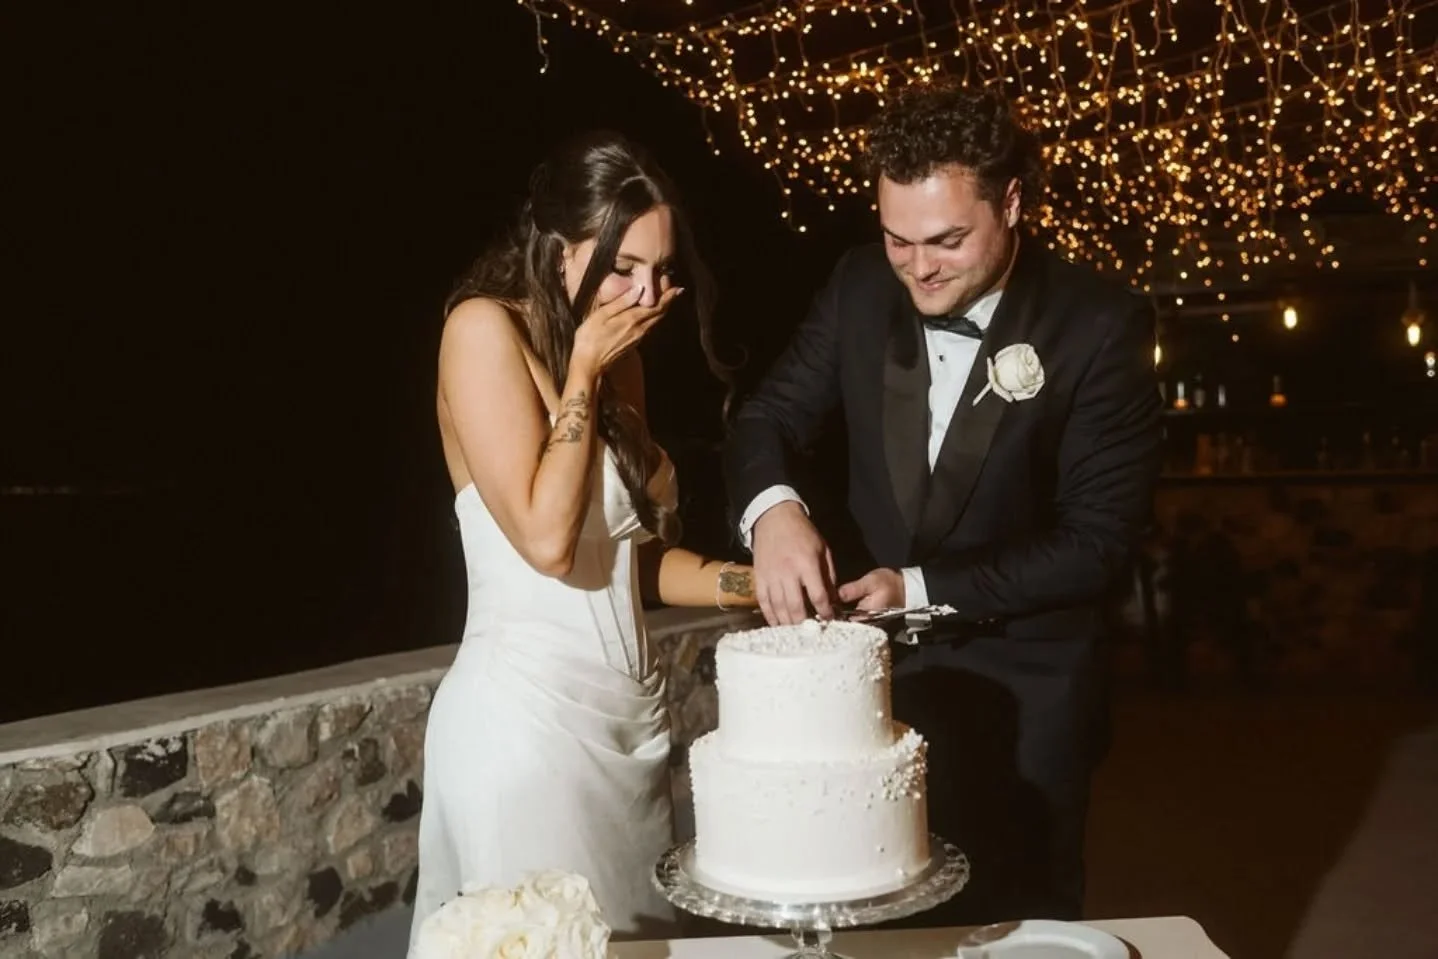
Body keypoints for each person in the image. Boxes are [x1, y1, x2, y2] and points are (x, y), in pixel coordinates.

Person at [723, 82, 1162, 924]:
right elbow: (766, 418)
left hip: (1027, 701)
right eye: (897, 238)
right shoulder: (859, 287)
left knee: (1015, 922)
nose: (918, 266)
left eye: (947, 240)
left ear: (1013, 205)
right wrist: (774, 511)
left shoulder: (1098, 324)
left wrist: (916, 587)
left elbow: (1098, 541)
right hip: (871, 705)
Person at [411, 130, 756, 948]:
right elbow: (546, 540)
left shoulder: (611, 355)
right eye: (623, 266)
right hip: (523, 728)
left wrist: (755, 583)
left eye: (661, 269)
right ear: (557, 247)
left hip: (624, 731)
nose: (648, 293)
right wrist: (583, 373)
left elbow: (620, 562)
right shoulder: (480, 331)